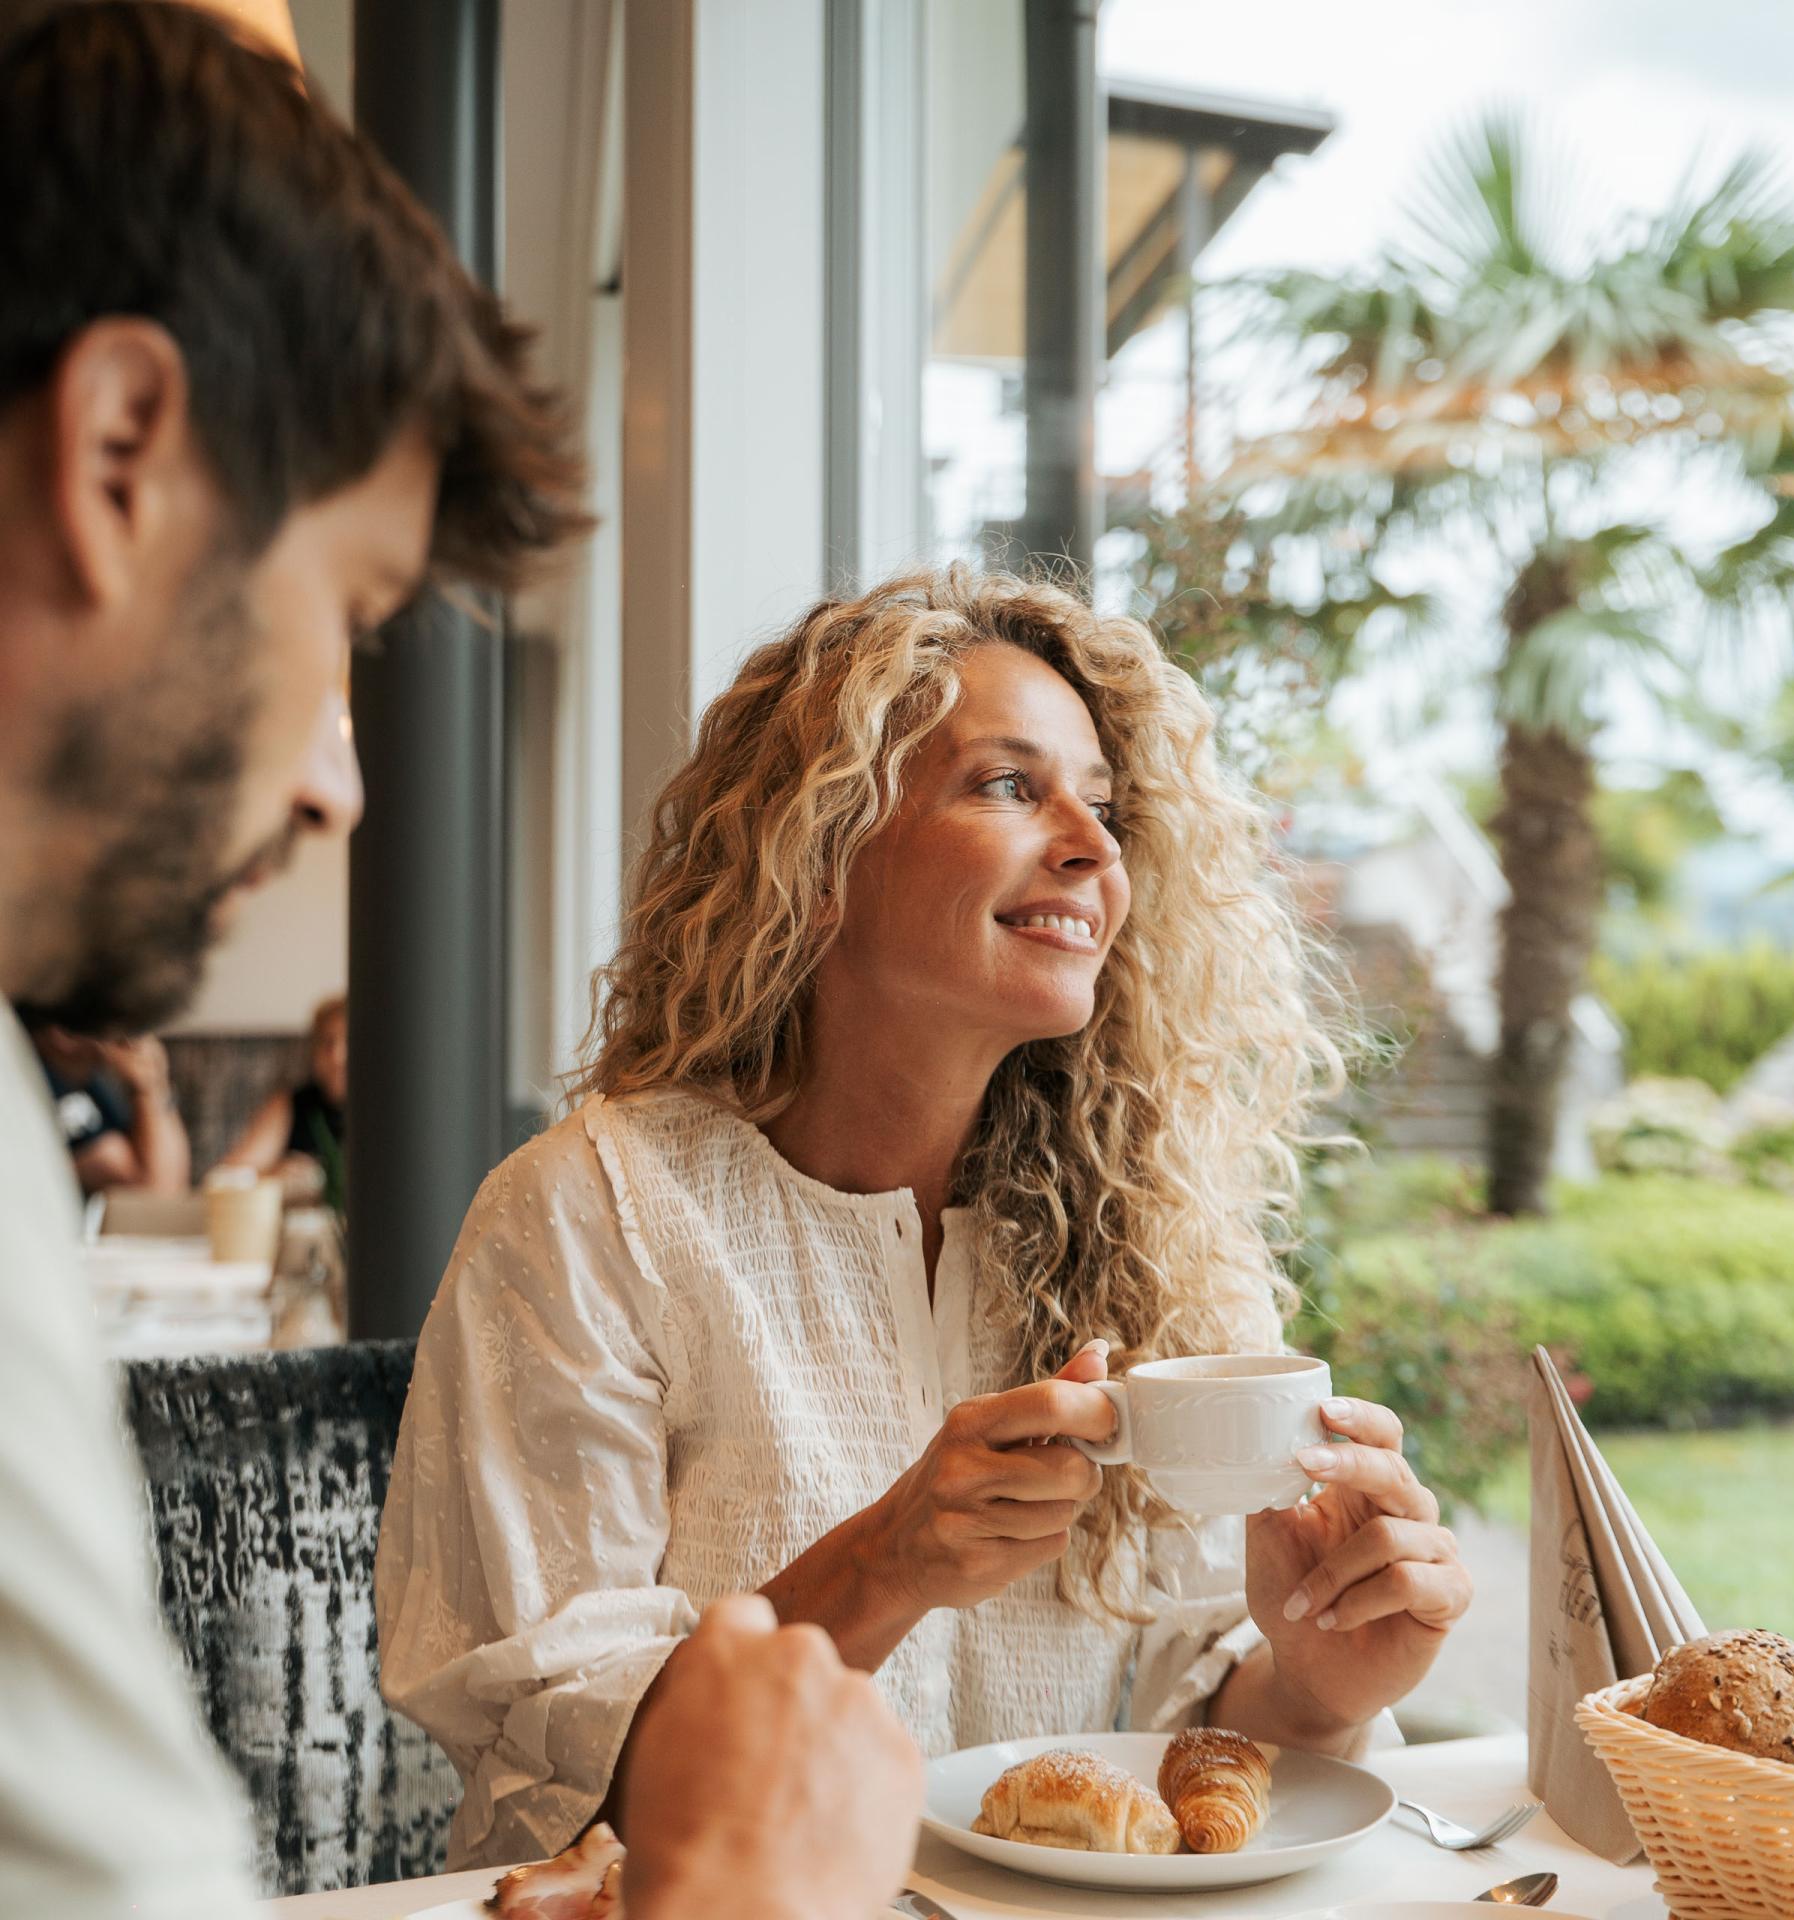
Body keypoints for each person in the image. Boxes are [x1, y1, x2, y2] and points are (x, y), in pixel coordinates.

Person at [0, 7, 918, 1919]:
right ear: (115, 454)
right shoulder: (591, 1206)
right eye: (341, 618)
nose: (341, 782)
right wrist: (740, 1889)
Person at [378, 565, 1474, 1868]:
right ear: (822, 847)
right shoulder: (594, 1217)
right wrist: (883, 1566)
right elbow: (551, 1785)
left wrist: (1319, 1680)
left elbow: (1184, 1755)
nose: (1093, 843)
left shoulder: (1158, 1250)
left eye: (1106, 803)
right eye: (1010, 785)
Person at [29, 1020, 191, 1194]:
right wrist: (146, 1089)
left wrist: (156, 1088)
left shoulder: (91, 1080)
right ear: (63, 1036)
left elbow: (176, 1186)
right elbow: (153, 1190)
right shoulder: (43, 1084)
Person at [222, 993, 347, 1209]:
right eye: (327, 1042)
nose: (337, 1055)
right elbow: (230, 1176)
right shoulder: (291, 1104)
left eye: (350, 1040)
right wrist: (275, 1174)